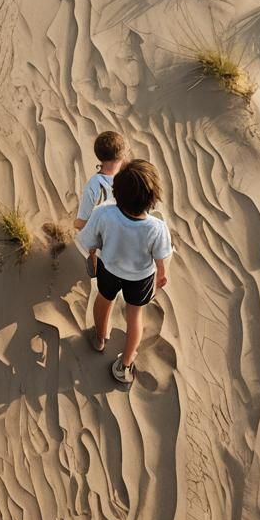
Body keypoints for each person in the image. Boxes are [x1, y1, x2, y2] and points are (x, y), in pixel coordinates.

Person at [76, 159, 172, 385]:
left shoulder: (103, 213)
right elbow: (161, 263)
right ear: (152, 198)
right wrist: (161, 276)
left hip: (109, 268)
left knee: (104, 299)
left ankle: (100, 338)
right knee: (135, 316)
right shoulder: (157, 228)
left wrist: (92, 256)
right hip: (140, 278)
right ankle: (126, 363)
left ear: (116, 192)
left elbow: (89, 242)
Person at [75, 130, 127, 277]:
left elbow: (82, 223)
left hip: (107, 244)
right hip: (132, 238)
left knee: (79, 229)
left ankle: (94, 258)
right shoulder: (132, 177)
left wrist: (75, 224)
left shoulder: (94, 185)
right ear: (122, 155)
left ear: (99, 156)